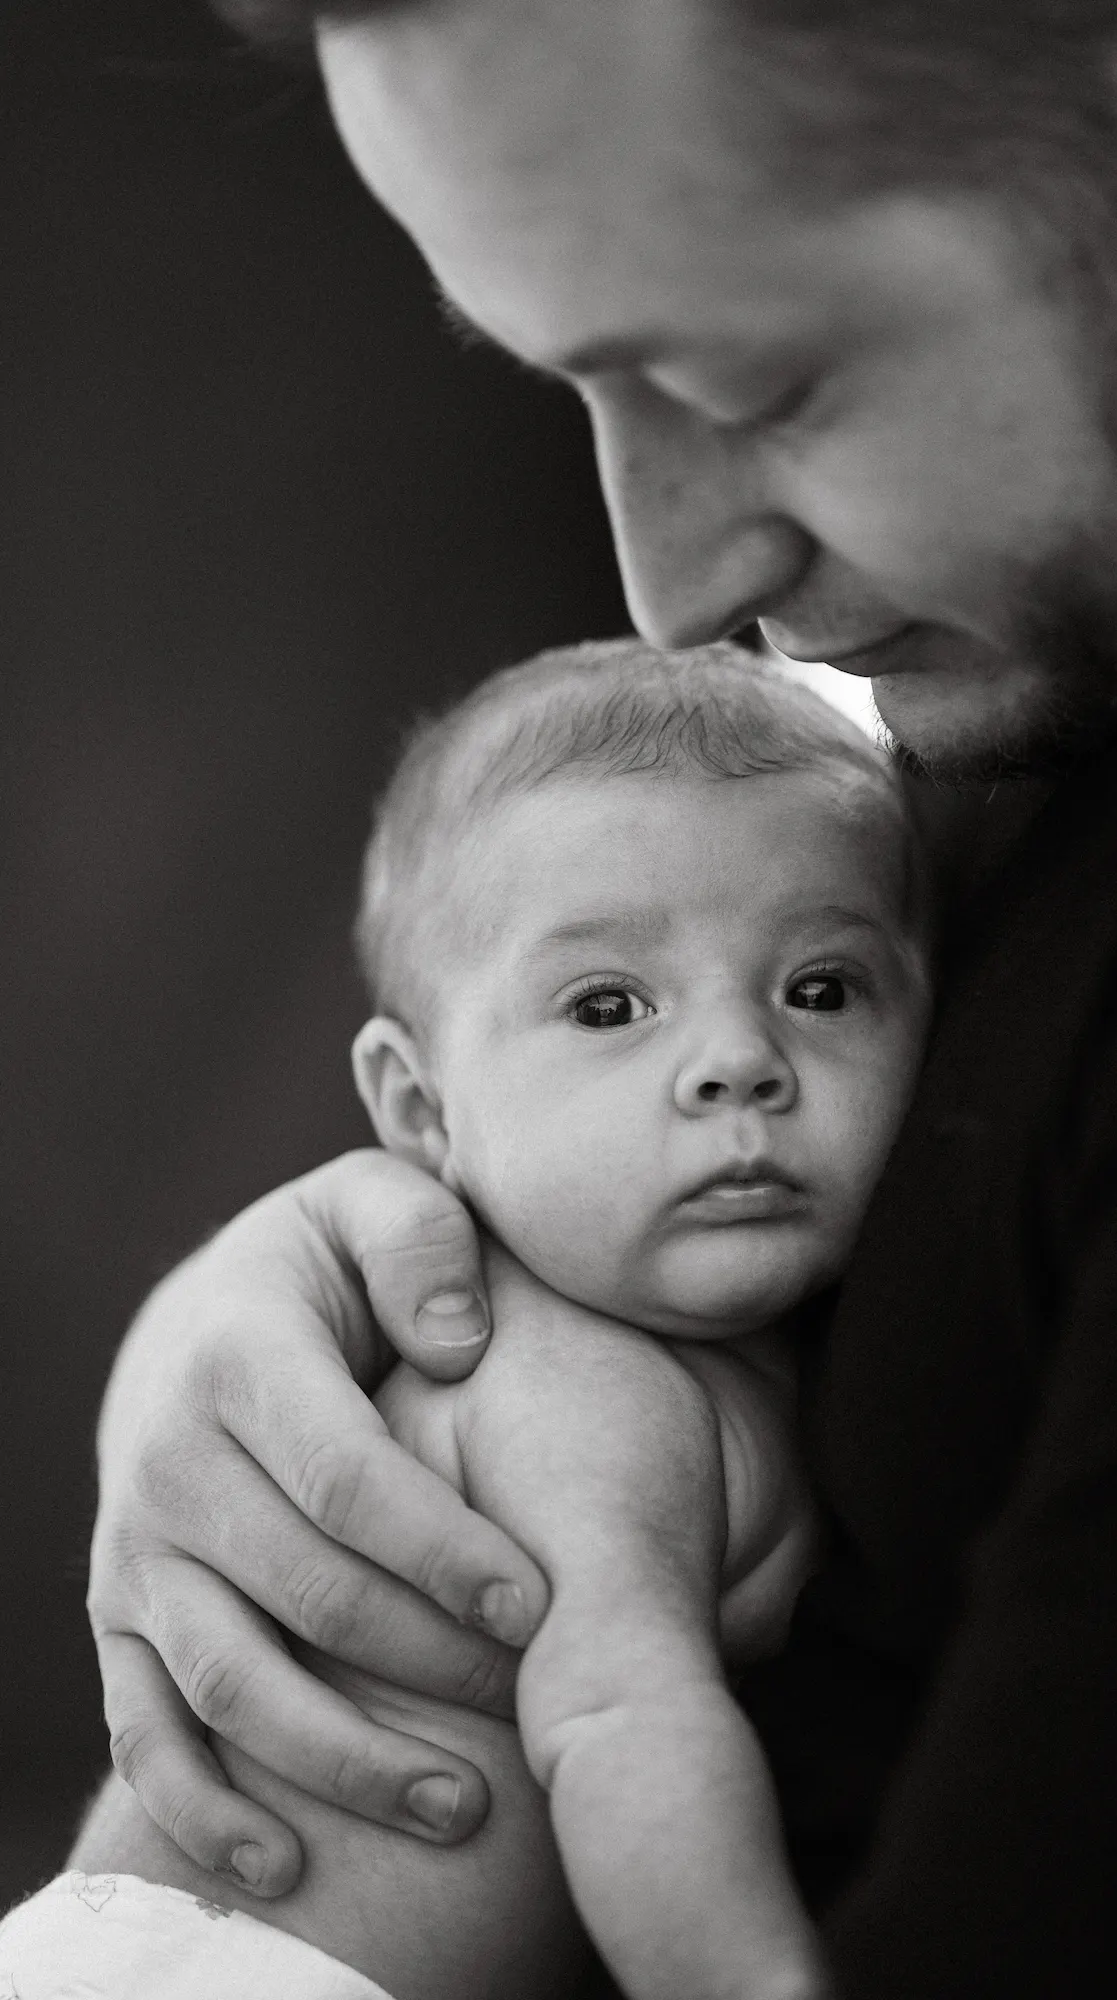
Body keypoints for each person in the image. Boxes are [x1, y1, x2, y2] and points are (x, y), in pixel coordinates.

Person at [36, 0, 1117, 1992]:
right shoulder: (1017, 704)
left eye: (761, 377)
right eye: (577, 382)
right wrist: (286, 1295)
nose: (670, 581)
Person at [1, 640, 928, 1999]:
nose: (741, 1062)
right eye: (610, 1006)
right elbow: (623, 1727)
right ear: (423, 1111)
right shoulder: (583, 1382)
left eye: (822, 990)